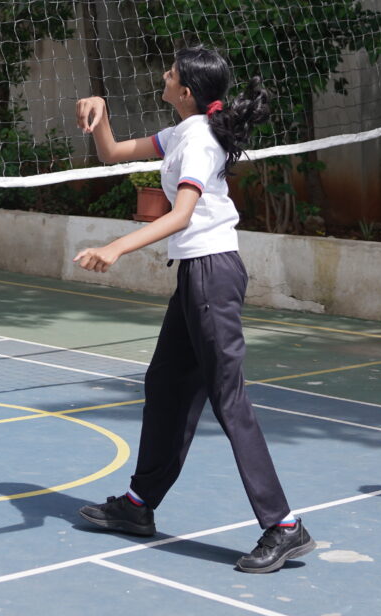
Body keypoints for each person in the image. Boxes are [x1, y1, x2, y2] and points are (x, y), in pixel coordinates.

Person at [69, 46, 311, 575]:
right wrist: (101, 111)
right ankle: (138, 505)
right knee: (164, 383)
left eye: (171, 73)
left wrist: (116, 247)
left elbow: (181, 216)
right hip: (195, 277)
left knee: (228, 401)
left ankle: (285, 525)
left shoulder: (199, 140)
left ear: (186, 91)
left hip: (212, 274)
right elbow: (112, 153)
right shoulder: (184, 130)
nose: (163, 74)